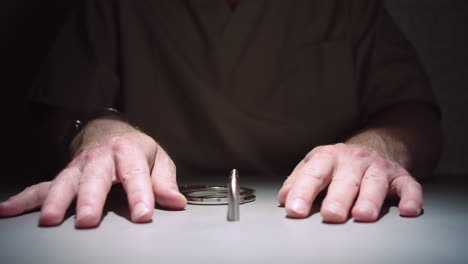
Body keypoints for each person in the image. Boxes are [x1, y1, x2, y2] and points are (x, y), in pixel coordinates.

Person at [0, 0, 441, 228]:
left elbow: (416, 114)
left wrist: (378, 146)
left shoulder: (347, 7)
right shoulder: (118, 5)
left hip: (318, 218)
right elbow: (50, 117)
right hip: (147, 218)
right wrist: (94, 133)